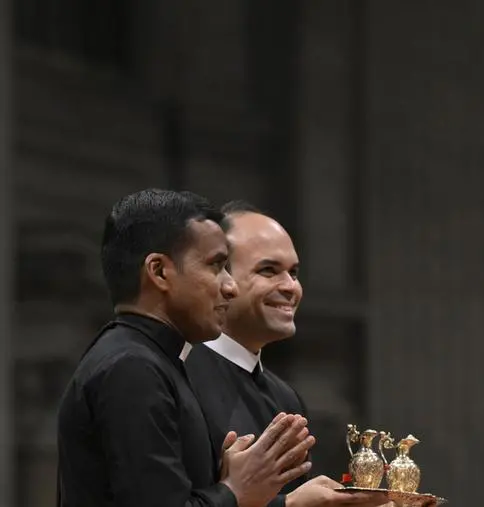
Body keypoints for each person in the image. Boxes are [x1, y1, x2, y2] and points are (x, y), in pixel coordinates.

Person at [57, 189, 314, 507]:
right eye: (216, 266)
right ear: (159, 272)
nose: (229, 285)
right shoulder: (132, 367)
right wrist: (235, 491)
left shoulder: (153, 361)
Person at [185, 200, 389, 507]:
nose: (291, 287)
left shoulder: (286, 398)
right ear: (221, 278)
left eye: (294, 272)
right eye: (268, 270)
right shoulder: (178, 375)